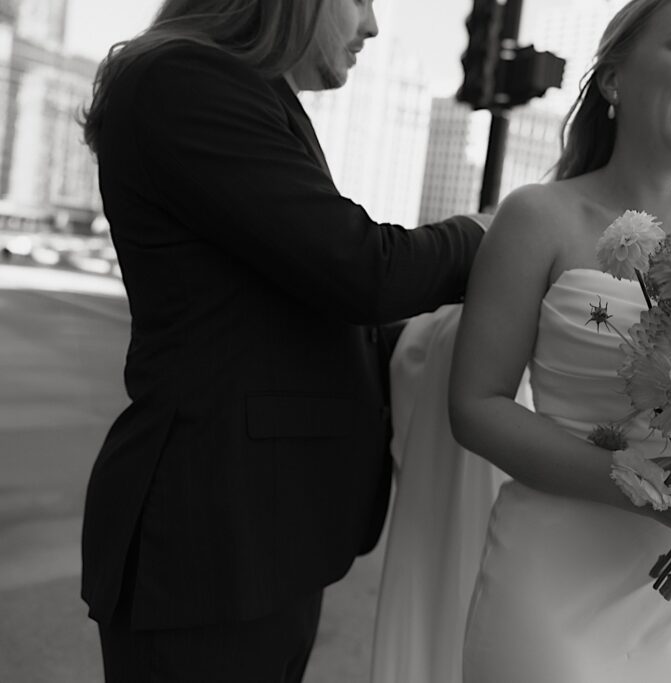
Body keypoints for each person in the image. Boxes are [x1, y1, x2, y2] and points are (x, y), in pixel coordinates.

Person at [376, 0, 671, 680]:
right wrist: (650, 484)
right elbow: (477, 406)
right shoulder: (538, 218)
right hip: (552, 586)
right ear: (613, 81)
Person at [78, 1, 484, 681]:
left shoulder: (240, 90)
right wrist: (489, 233)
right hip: (210, 543)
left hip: (258, 540)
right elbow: (359, 270)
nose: (373, 26)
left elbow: (304, 306)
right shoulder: (184, 80)